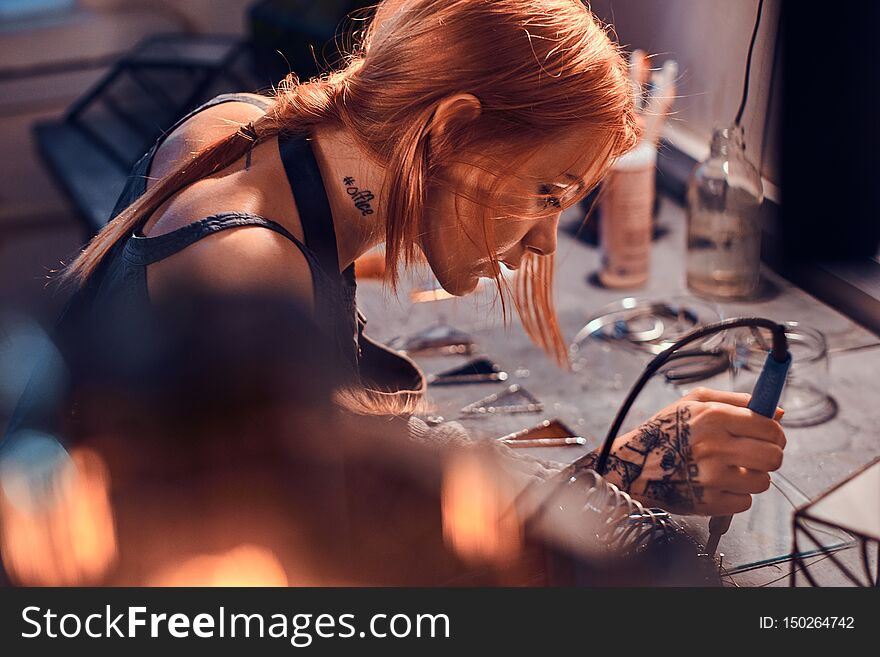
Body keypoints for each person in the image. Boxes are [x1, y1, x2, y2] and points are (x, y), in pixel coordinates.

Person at [56, 0, 785, 519]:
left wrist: (607, 472)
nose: (541, 243)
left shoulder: (252, 128)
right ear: (452, 128)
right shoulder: (245, 266)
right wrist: (616, 478)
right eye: (544, 192)